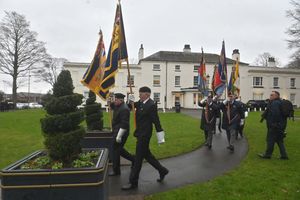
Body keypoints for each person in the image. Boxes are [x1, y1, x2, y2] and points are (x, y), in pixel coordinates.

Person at [122, 86, 169, 190]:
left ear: (147, 94)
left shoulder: (151, 105)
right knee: (147, 155)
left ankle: (133, 182)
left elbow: (156, 121)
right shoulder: (141, 103)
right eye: (139, 93)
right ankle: (162, 170)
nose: (139, 95)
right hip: (140, 133)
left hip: (145, 135)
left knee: (138, 159)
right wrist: (130, 99)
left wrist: (160, 136)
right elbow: (130, 106)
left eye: (141, 93)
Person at [109, 93, 135, 176]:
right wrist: (109, 101)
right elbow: (112, 106)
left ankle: (116, 171)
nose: (114, 101)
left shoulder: (124, 109)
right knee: (118, 150)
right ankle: (134, 159)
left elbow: (125, 124)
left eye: (116, 99)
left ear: (121, 100)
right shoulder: (118, 105)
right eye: (114, 99)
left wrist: (119, 136)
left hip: (122, 132)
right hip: (116, 131)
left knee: (115, 151)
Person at [258, 91, 288, 159]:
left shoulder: (275, 103)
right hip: (280, 125)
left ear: (276, 96)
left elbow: (275, 114)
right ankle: (284, 155)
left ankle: (267, 155)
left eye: (272, 95)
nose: (270, 96)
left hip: (274, 126)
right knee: (279, 140)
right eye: (270, 95)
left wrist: (273, 124)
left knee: (270, 140)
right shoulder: (278, 102)